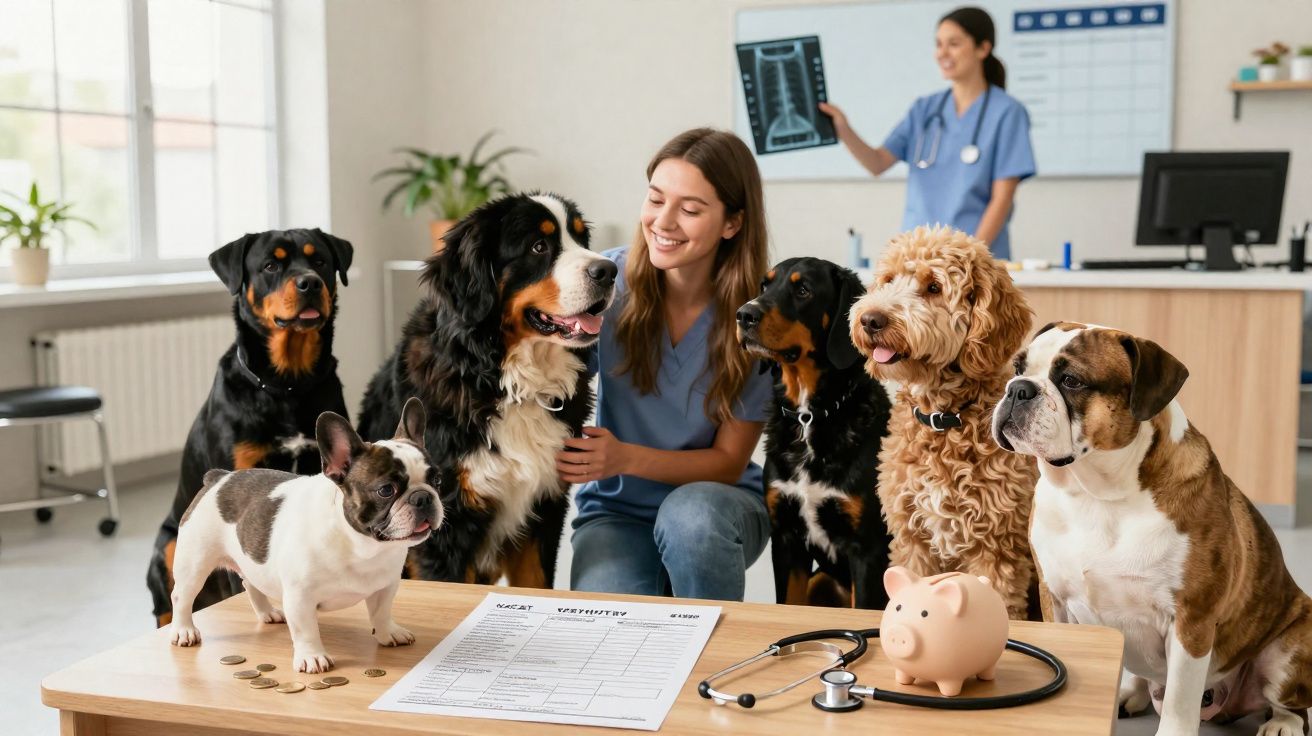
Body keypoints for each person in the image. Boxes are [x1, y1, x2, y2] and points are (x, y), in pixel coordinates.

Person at [559, 128, 772, 602]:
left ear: (732, 223)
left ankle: (714, 667)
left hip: (718, 506)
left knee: (690, 517)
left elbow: (728, 463)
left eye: (691, 210)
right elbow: (546, 377)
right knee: (608, 640)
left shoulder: (757, 317)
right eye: (656, 199)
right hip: (614, 513)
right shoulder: (604, 284)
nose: (664, 222)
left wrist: (623, 458)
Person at [820, 6, 1036, 260]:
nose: (942, 53)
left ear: (983, 48)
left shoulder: (1007, 113)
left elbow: (1002, 199)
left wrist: (968, 258)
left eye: (953, 44)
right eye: (938, 44)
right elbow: (877, 163)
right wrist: (843, 129)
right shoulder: (924, 110)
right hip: (917, 257)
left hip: (973, 260)